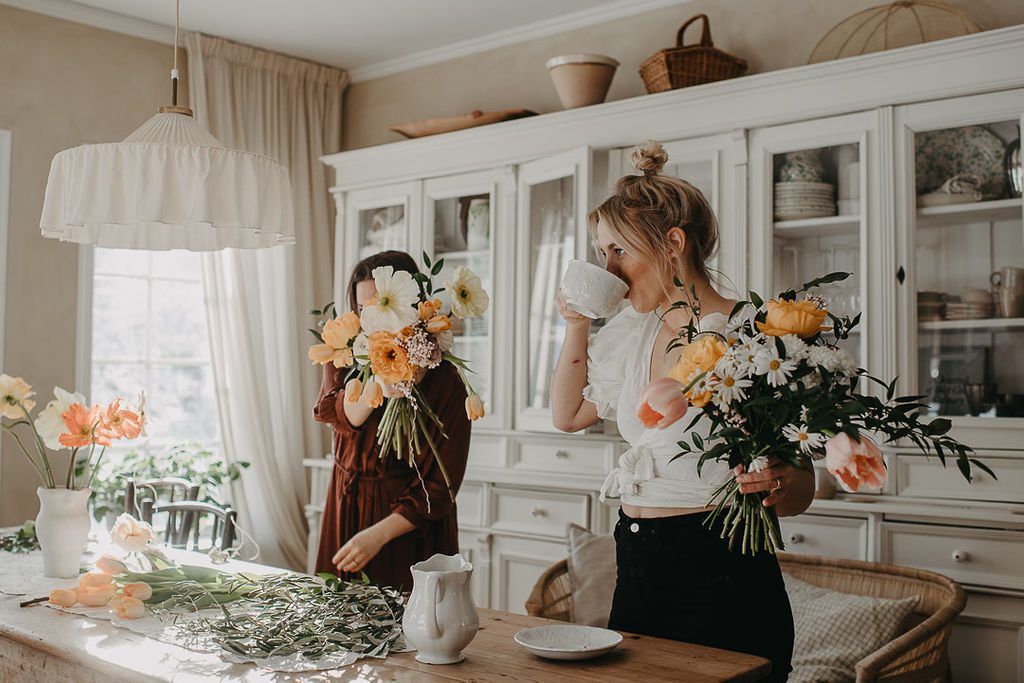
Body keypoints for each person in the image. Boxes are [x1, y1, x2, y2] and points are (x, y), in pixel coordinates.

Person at [551, 141, 815, 681]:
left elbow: (801, 488)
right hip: (639, 563)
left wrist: (779, 482)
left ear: (673, 243)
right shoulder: (632, 332)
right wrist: (577, 325)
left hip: (723, 569)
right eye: (602, 255)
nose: (610, 270)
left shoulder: (758, 335)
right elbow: (569, 414)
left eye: (617, 251)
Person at [313, 250, 472, 590]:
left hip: (406, 528)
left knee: (403, 632)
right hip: (345, 506)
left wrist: (377, 536)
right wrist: (379, 383)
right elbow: (335, 414)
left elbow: (440, 487)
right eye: (361, 309)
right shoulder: (343, 352)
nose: (367, 319)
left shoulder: (444, 378)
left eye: (380, 307)